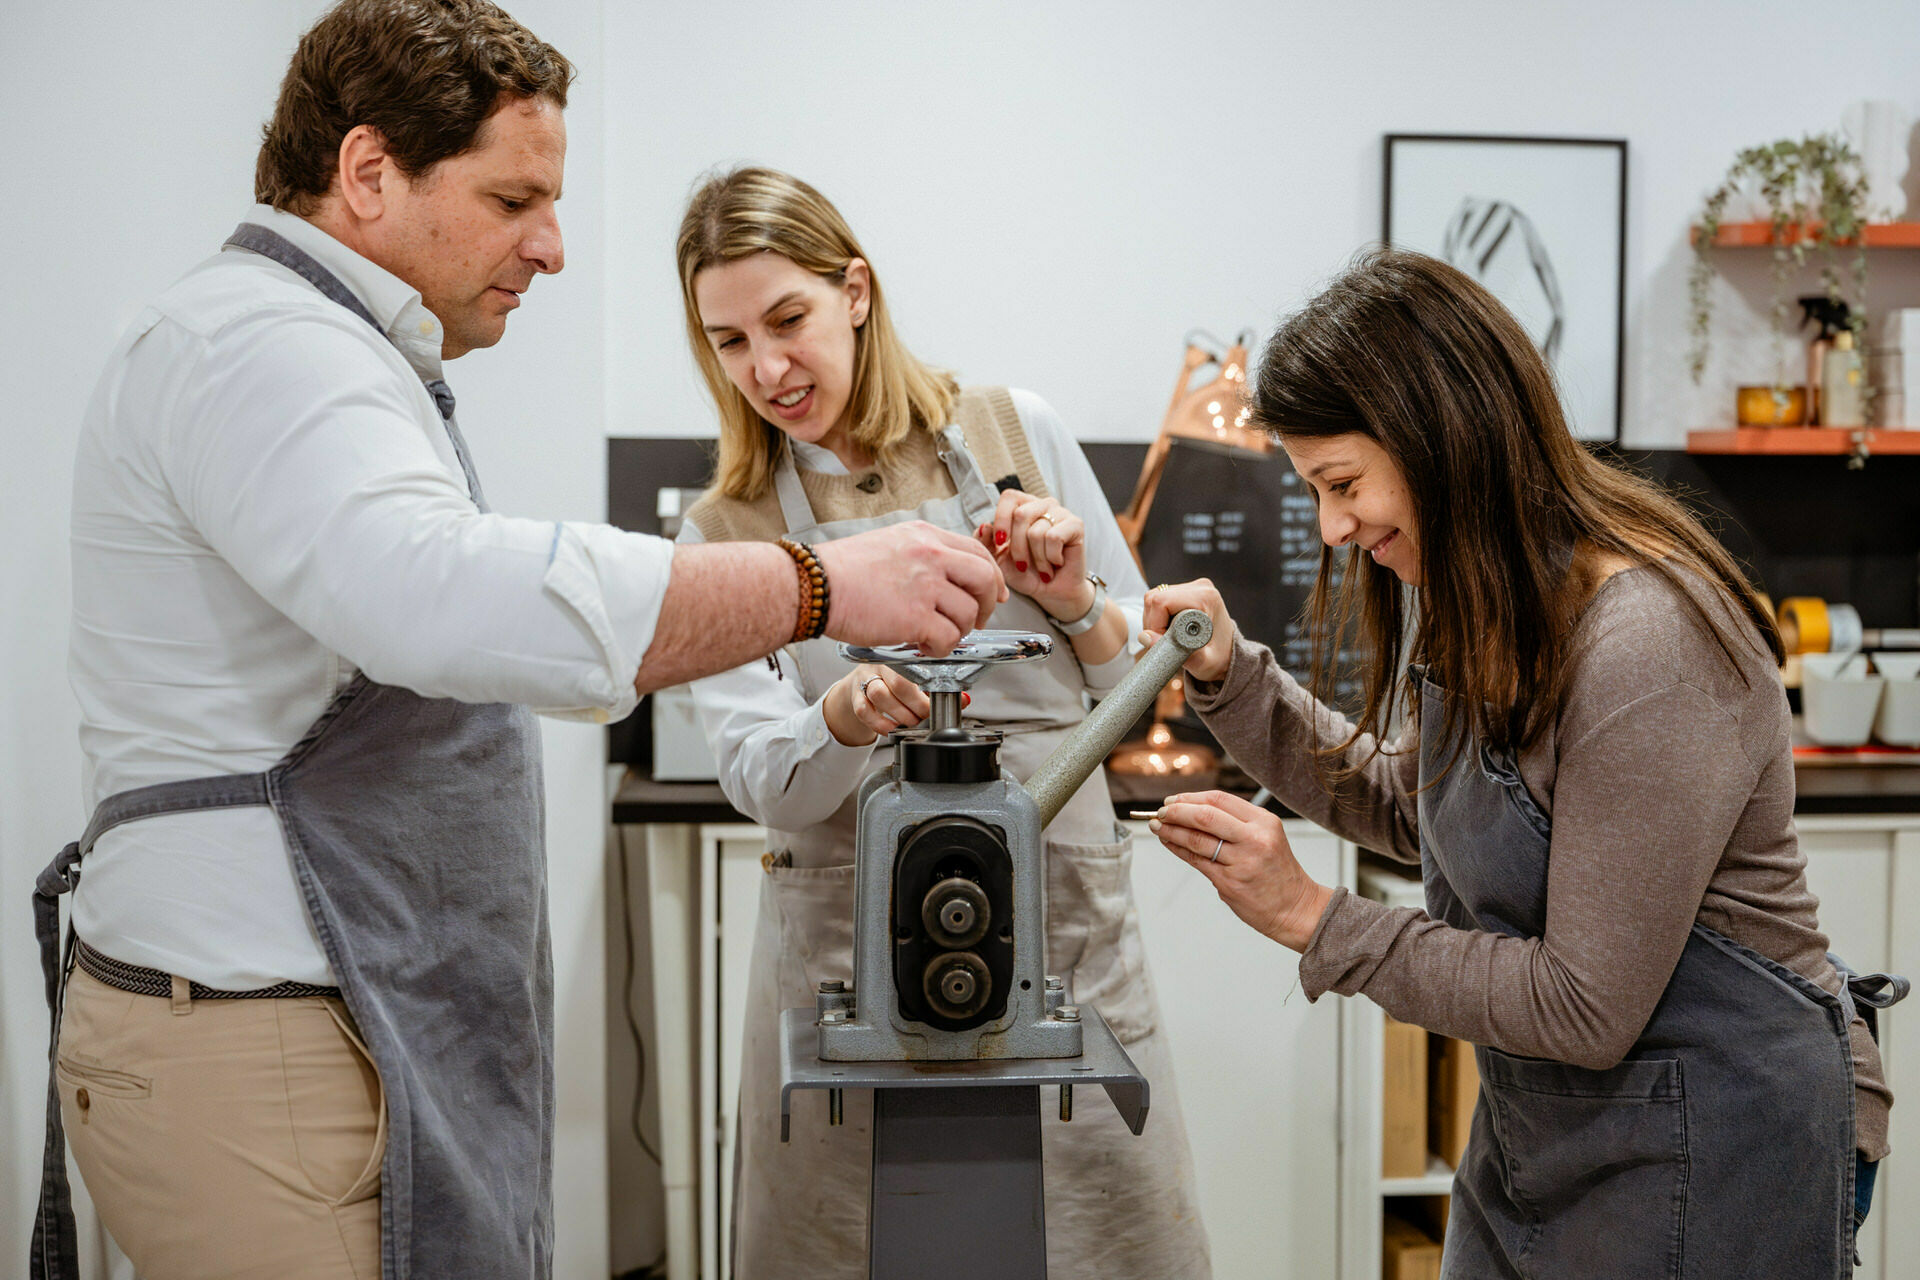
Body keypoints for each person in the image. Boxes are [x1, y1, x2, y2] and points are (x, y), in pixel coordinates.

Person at [35, 7, 1004, 1279]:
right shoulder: (261, 348)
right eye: (513, 199)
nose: (550, 247)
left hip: (300, 1015)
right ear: (370, 170)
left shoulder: (314, 349)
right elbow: (441, 596)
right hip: (259, 1035)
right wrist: (818, 584)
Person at [1143, 248, 1905, 1279]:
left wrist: (1311, 917)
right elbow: (1426, 810)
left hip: (1724, 1133)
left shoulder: (1647, 639)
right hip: (1554, 1125)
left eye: (1342, 483)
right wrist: (1235, 677)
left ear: (1438, 438)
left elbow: (1584, 1002)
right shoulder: (1488, 596)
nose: (1330, 526)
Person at [672, 167, 1210, 1279]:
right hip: (845, 968)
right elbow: (760, 776)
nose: (766, 369)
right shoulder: (721, 529)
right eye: (727, 341)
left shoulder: (1017, 433)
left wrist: (1066, 596)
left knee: (1094, 1242)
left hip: (1061, 938)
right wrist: (843, 711)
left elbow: (1135, 679)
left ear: (855, 291)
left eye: (788, 320)